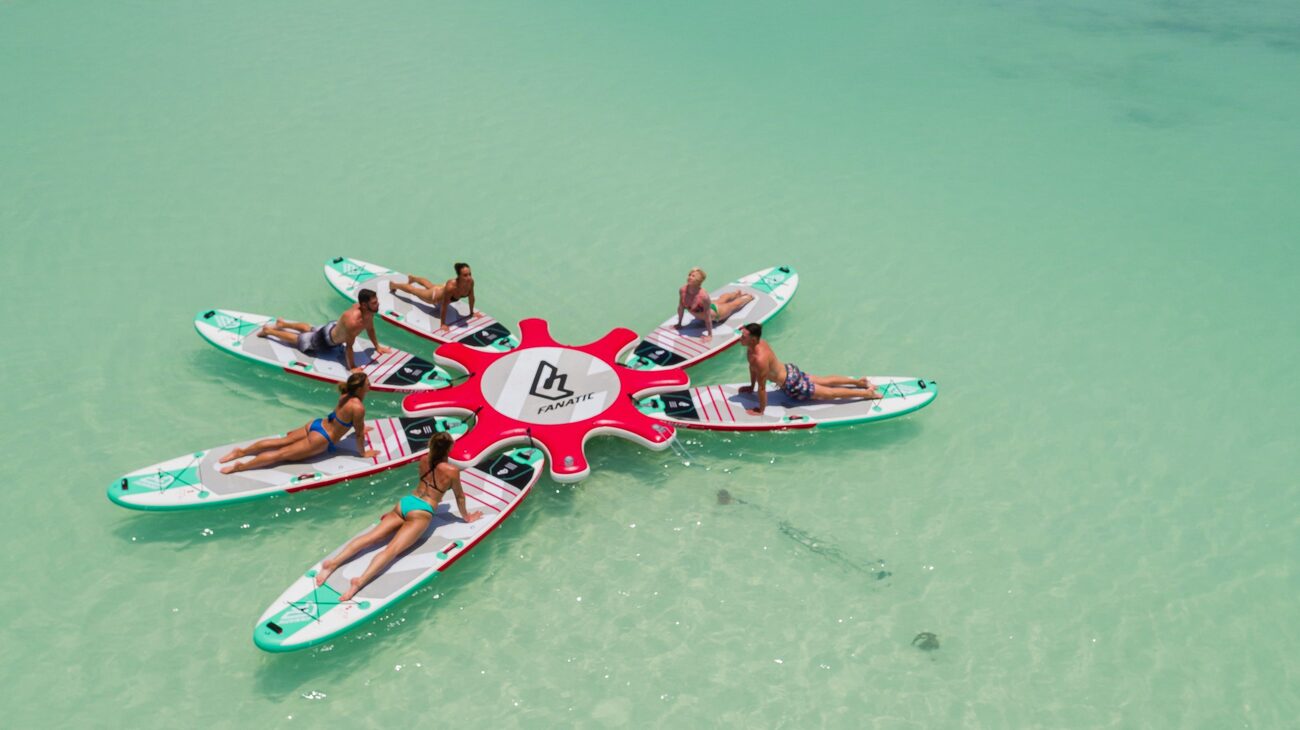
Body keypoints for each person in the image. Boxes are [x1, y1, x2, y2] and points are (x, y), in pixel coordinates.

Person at [314, 431, 483, 602]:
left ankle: (333, 563)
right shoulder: (452, 470)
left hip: (405, 503)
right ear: (450, 448)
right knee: (391, 550)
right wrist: (467, 517)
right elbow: (459, 496)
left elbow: (424, 482)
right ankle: (359, 582)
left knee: (370, 538)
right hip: (421, 512)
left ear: (431, 445)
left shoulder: (424, 459)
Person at [218, 373, 378, 474]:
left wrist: (362, 427)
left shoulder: (345, 395)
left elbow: (346, 420)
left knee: (281, 442)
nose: (370, 385)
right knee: (281, 455)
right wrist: (363, 453)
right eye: (367, 384)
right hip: (322, 439)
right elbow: (358, 433)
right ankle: (241, 467)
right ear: (359, 389)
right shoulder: (358, 407)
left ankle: (242, 451)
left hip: (316, 424)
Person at [737, 323, 880, 416]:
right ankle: (859, 382)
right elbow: (752, 368)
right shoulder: (758, 344)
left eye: (743, 337)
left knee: (829, 394)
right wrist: (751, 386)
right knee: (825, 380)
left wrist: (761, 410)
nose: (740, 339)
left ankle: (867, 393)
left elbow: (762, 388)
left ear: (753, 339)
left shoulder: (759, 359)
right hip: (790, 371)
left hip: (792, 385)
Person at [257, 289, 392, 372]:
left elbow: (370, 328)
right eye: (374, 302)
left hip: (333, 327)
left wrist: (377, 347)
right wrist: (352, 367)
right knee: (301, 340)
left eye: (377, 301)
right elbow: (348, 347)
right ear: (364, 304)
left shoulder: (368, 310)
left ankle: (282, 323)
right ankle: (269, 331)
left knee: (310, 329)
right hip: (326, 339)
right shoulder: (354, 322)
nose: (378, 304)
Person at [388, 262, 481, 331]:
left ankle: (413, 278)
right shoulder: (452, 287)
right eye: (465, 275)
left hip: (440, 289)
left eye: (469, 274)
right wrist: (443, 324)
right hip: (434, 296)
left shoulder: (470, 282)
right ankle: (393, 285)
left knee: (430, 285)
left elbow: (471, 297)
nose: (468, 277)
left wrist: (471, 312)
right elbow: (444, 305)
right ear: (459, 276)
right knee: (414, 291)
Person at [675, 267, 753, 342]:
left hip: (716, 313)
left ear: (698, 280)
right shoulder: (683, 290)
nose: (689, 277)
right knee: (721, 299)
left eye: (693, 276)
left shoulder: (703, 296)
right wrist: (679, 324)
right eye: (689, 275)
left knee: (733, 305)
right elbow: (681, 308)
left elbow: (708, 316)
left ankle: (748, 297)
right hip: (708, 306)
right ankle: (736, 293)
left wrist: (710, 335)